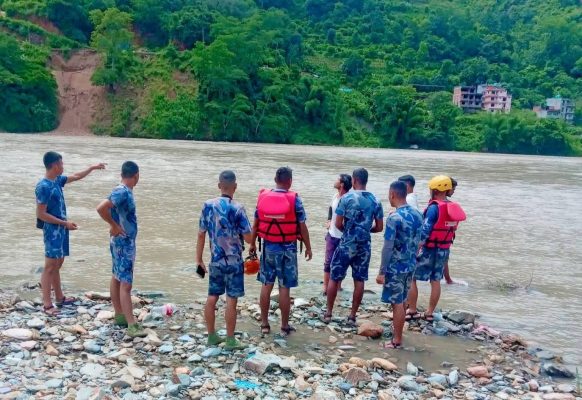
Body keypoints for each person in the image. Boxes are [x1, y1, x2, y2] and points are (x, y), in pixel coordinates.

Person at [36, 151, 105, 316]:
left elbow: (76, 176)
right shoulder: (43, 186)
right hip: (53, 230)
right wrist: (64, 223)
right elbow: (41, 214)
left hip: (62, 228)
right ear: (54, 165)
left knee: (58, 263)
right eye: (61, 163)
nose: (63, 166)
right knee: (49, 266)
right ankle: (47, 304)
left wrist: (92, 167)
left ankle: (59, 297)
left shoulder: (57, 180)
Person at [249, 167, 312, 337]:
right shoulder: (295, 200)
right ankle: (284, 326)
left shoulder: (263, 197)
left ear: (275, 179)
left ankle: (264, 324)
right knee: (284, 288)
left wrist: (252, 244)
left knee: (266, 285)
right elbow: (302, 226)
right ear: (290, 181)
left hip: (268, 247)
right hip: (288, 249)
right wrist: (308, 246)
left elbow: (255, 224)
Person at [196, 171, 252, 350]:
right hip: (234, 262)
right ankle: (230, 340)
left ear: (219, 185)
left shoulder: (207, 205)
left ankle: (211, 335)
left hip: (215, 260)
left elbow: (201, 234)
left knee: (212, 296)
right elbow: (248, 238)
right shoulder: (238, 208)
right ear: (235, 187)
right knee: (231, 300)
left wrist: (199, 259)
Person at [323, 168, 384, 325]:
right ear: (366, 180)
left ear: (354, 180)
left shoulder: (346, 198)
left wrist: (350, 231)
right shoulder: (375, 200)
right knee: (359, 280)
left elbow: (338, 223)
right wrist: (364, 230)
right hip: (364, 245)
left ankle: (328, 313)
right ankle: (352, 316)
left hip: (346, 243)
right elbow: (379, 227)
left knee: (334, 277)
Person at [96, 161, 147, 337]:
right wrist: (114, 225)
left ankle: (119, 315)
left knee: (117, 276)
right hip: (124, 242)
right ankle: (131, 324)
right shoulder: (122, 191)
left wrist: (114, 225)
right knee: (126, 283)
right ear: (136, 175)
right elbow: (101, 208)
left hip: (120, 240)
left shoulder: (122, 190)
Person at [406, 176, 465, 322]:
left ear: (436, 190)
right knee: (436, 280)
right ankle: (429, 312)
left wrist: (415, 249)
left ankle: (412, 309)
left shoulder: (434, 208)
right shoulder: (452, 207)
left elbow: (425, 231)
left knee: (411, 277)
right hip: (444, 249)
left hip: (429, 249)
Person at [375, 181, 423, 348]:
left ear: (392, 194)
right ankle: (398, 333)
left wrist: (382, 272)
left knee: (396, 302)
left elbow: (388, 247)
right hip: (410, 264)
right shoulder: (418, 214)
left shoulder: (394, 217)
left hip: (396, 266)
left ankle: (396, 340)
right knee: (402, 300)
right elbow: (421, 241)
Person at [323, 174, 352, 295]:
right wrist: (329, 220)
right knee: (328, 262)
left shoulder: (349, 199)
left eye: (337, 180)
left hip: (343, 237)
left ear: (342, 184)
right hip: (331, 234)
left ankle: (338, 288)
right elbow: (331, 208)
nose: (334, 181)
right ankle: (325, 288)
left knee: (341, 264)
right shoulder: (335, 196)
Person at [444, 177, 458, 284]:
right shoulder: (450, 205)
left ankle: (448, 279)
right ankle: (448, 279)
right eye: (453, 189)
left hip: (440, 237)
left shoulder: (434, 204)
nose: (453, 191)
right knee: (444, 258)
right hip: (445, 237)